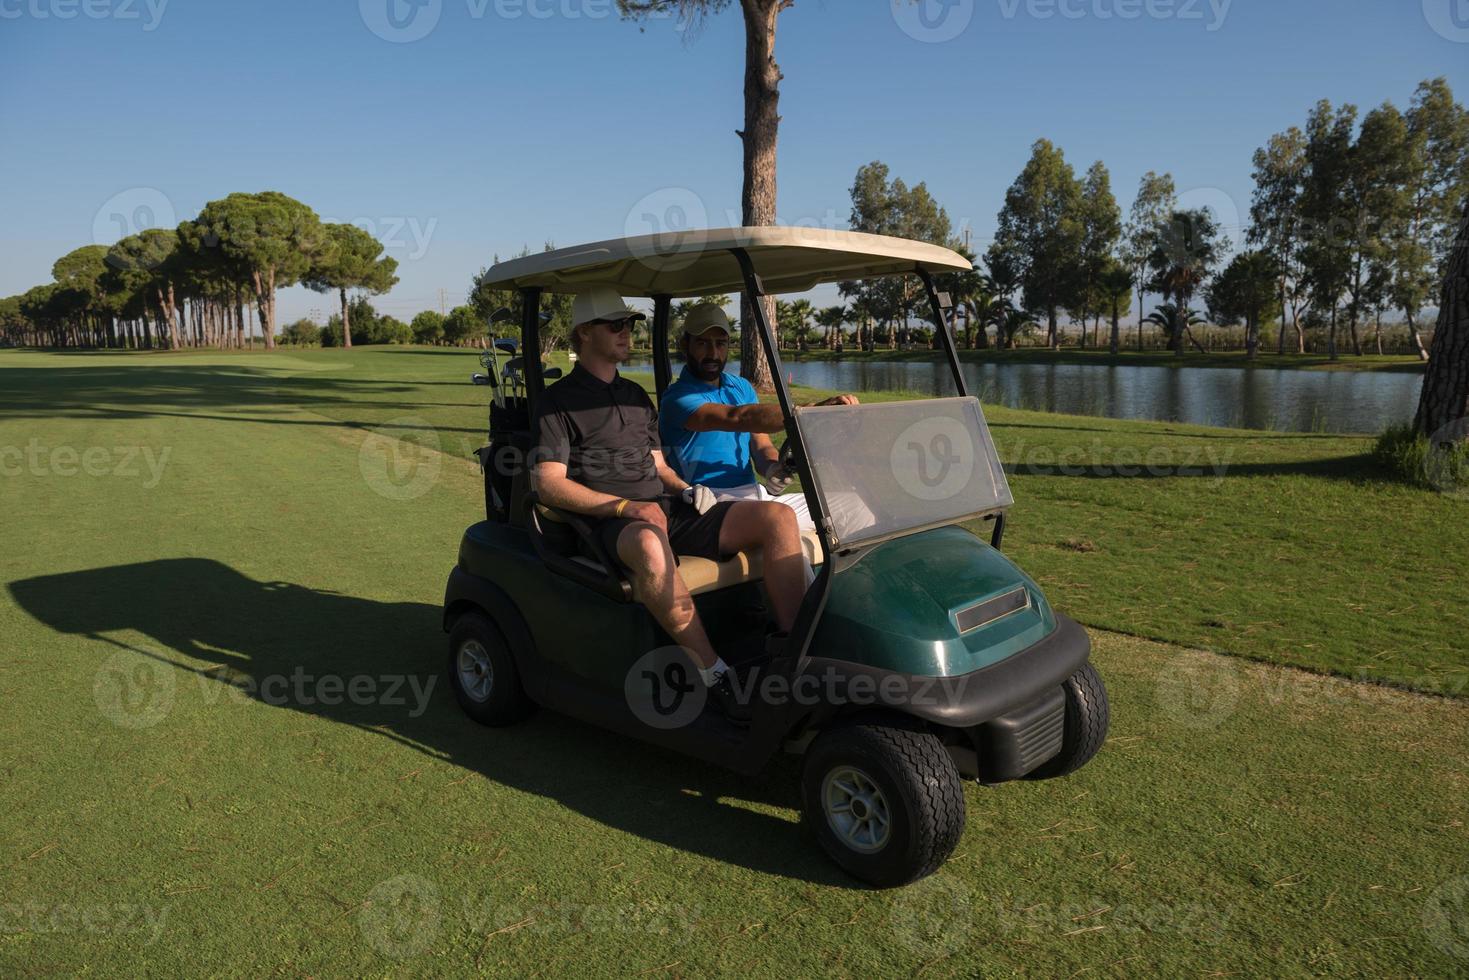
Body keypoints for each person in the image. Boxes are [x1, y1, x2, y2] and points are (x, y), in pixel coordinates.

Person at [532, 287, 807, 724]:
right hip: (609, 522)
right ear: (584, 333)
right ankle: (714, 674)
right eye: (616, 325)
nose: (626, 333)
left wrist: (683, 489)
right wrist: (625, 508)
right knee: (649, 544)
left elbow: (657, 464)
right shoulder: (557, 402)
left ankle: (794, 653)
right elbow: (548, 484)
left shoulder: (636, 397)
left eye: (630, 325)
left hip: (663, 508)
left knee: (778, 517)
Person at [658, 302, 858, 532]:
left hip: (753, 495)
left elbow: (760, 445)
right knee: (779, 521)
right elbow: (738, 417)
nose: (713, 353)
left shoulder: (740, 387)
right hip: (707, 502)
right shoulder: (678, 397)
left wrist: (773, 468)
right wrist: (810, 409)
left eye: (720, 343)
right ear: (686, 344)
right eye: (703, 343)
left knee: (852, 506)